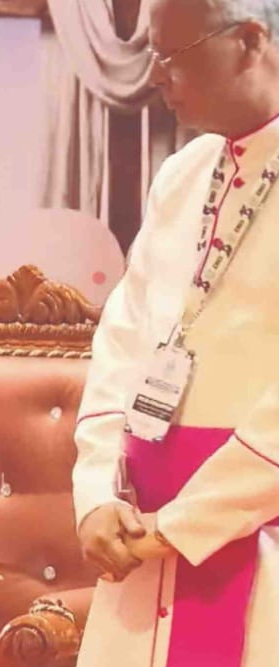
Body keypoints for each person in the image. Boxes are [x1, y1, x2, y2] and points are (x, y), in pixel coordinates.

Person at [72, 1, 279, 665]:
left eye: (172, 55)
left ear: (250, 41)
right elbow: (122, 339)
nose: (155, 75)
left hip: (253, 539)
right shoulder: (182, 173)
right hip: (140, 539)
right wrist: (96, 495)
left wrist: (184, 523)